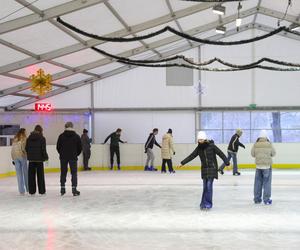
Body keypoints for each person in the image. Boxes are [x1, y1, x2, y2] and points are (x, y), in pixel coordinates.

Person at [180, 131, 230, 210]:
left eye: (201, 139)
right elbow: (191, 156)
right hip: (204, 170)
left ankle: (208, 204)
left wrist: (227, 163)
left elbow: (221, 154)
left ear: (204, 139)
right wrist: (182, 163)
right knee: (205, 187)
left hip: (212, 169)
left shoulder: (212, 146)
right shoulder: (199, 148)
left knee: (209, 186)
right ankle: (203, 203)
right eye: (199, 140)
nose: (199, 141)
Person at [57, 122, 82, 196]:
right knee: (74, 173)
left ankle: (62, 189)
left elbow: (58, 147)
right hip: (73, 157)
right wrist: (75, 154)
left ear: (65, 127)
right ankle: (74, 189)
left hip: (63, 157)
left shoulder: (61, 136)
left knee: (63, 172)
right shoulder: (76, 136)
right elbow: (80, 148)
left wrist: (61, 153)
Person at [251, 130, 276, 205]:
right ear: (266, 136)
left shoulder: (256, 144)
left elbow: (252, 154)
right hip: (267, 166)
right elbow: (273, 153)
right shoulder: (269, 144)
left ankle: (257, 199)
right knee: (267, 183)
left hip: (258, 166)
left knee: (258, 183)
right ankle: (266, 199)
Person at [25, 125, 48, 195]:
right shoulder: (42, 138)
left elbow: (26, 148)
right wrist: (46, 157)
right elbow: (43, 149)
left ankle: (32, 191)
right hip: (39, 160)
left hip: (31, 160)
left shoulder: (28, 138)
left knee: (31, 176)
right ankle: (42, 191)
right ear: (41, 130)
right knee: (40, 176)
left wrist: (29, 155)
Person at [11, 128, 28, 195]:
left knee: (19, 175)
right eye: (25, 131)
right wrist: (25, 154)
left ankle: (21, 191)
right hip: (21, 156)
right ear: (23, 132)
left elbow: (12, 149)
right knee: (25, 173)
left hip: (14, 157)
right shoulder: (24, 137)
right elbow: (23, 148)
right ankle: (28, 188)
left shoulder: (15, 138)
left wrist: (12, 158)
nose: (26, 133)